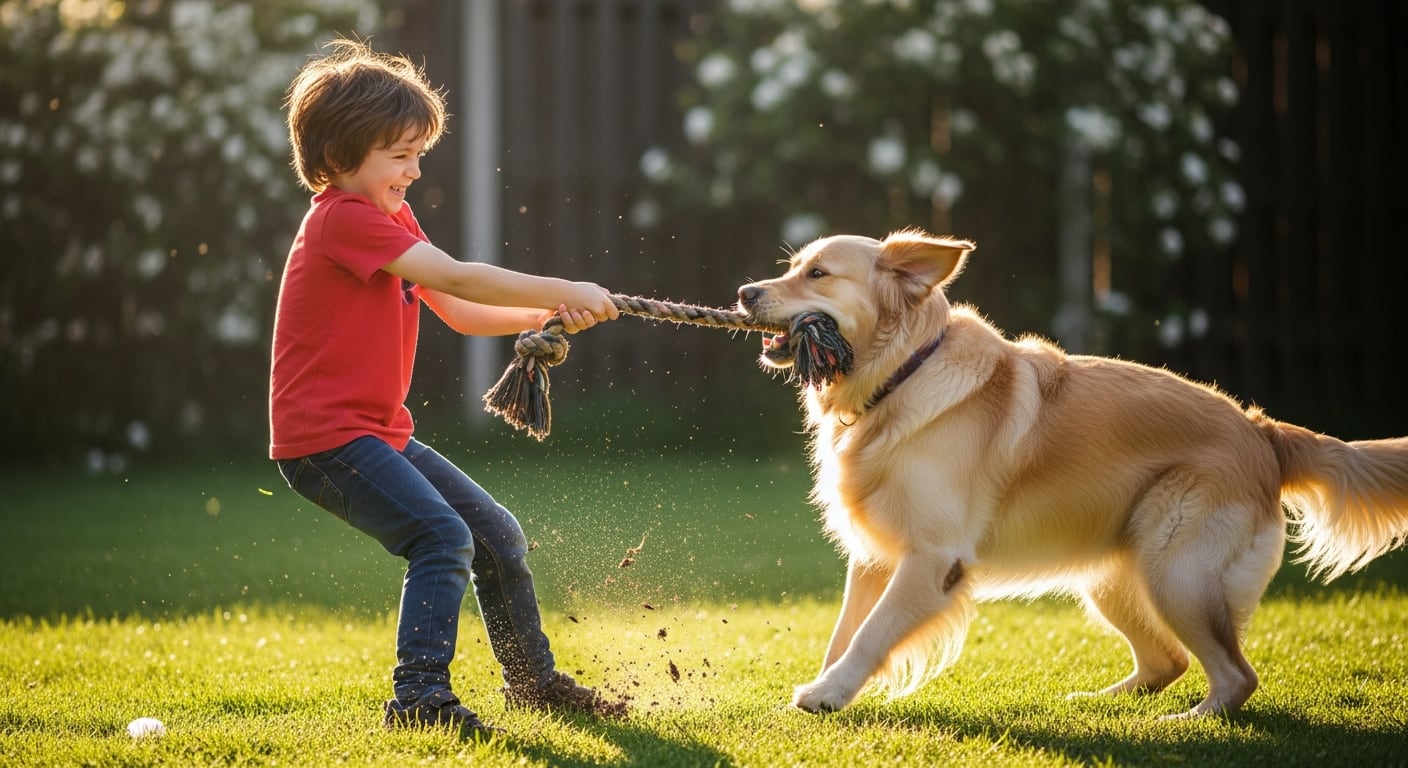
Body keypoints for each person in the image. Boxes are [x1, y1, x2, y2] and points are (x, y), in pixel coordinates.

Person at [268, 38, 626, 737]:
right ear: (342, 158)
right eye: (399, 154)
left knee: (494, 534)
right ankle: (419, 699)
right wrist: (564, 286)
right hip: (326, 440)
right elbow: (458, 276)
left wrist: (546, 315)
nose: (415, 169)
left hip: (376, 433)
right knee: (440, 536)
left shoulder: (389, 217)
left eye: (418, 152)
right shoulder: (342, 220)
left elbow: (456, 310)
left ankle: (534, 683)